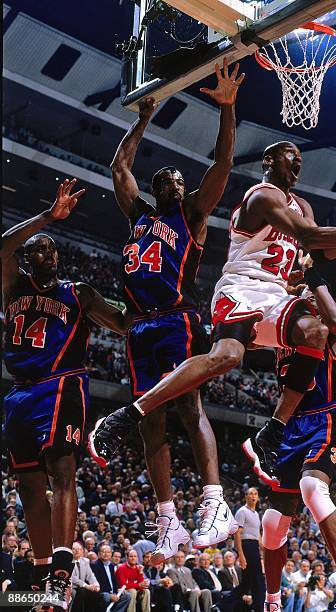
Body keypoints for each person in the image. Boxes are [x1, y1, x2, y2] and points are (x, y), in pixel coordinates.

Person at [88, 142, 336, 482]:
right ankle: (128, 414)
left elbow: (319, 251)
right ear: (269, 160)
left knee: (316, 332)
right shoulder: (261, 196)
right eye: (292, 156)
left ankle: (271, 433)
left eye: (301, 159)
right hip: (240, 287)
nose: (298, 163)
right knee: (227, 357)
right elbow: (309, 235)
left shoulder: (301, 205)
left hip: (275, 294)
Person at [88, 58, 245, 563]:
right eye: (168, 180)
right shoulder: (140, 213)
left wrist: (227, 110)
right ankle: (167, 519)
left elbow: (221, 166)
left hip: (177, 318)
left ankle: (215, 502)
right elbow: (119, 168)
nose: (175, 183)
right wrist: (143, 117)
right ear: (158, 188)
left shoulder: (193, 215)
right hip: (138, 327)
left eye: (180, 179)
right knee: (147, 422)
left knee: (187, 406)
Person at [1, 180, 130, 609]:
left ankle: (61, 572)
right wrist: (45, 218)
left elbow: (122, 322)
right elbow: (1, 247)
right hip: (19, 394)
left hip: (62, 385)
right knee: (29, 488)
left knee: (61, 472)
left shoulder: (78, 293)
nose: (48, 253)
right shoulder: (13, 287)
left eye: (53, 249)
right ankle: (40, 578)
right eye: (39, 248)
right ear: (27, 259)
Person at [258, 252, 336, 612]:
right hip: (291, 428)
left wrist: (311, 274)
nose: (304, 301)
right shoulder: (282, 335)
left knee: (312, 486)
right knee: (273, 524)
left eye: (309, 298)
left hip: (326, 417)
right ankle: (272, 601)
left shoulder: (327, 331)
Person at [234, 487, 266, 610]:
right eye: (250, 494)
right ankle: (259, 608)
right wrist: (241, 554)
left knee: (247, 582)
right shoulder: (242, 511)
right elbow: (237, 533)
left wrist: (265, 551)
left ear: (258, 497)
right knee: (258, 581)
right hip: (246, 545)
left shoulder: (257, 514)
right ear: (246, 497)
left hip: (254, 546)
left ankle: (222, 606)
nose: (253, 496)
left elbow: (258, 535)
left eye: (255, 494)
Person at [91, 544, 132, 612]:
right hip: (101, 593)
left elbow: (113, 582)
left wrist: (118, 589)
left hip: (112, 592)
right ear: (98, 553)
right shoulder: (94, 565)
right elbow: (97, 584)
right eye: (103, 552)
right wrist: (111, 595)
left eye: (108, 552)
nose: (106, 554)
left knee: (127, 596)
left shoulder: (111, 566)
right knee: (106, 596)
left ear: (111, 554)